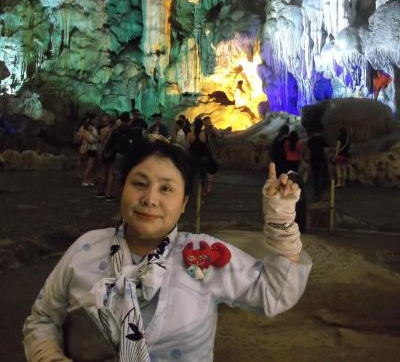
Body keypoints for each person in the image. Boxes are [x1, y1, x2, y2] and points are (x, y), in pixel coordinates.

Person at [23, 139, 311, 361]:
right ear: (121, 188)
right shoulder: (86, 248)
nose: (149, 199)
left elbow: (274, 292)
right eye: (139, 184)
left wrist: (281, 219)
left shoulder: (204, 254)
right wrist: (49, 356)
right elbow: (44, 318)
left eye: (166, 189)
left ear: (184, 202)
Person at [186, 117, 216, 197]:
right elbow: (208, 146)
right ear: (201, 125)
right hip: (203, 157)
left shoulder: (189, 135)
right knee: (207, 172)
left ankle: (189, 190)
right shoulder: (203, 134)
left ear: (194, 125)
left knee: (191, 174)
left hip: (193, 158)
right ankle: (205, 190)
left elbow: (187, 147)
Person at [307, 127, 329, 201]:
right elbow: (325, 150)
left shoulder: (310, 139)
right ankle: (321, 190)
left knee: (315, 175)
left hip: (313, 159)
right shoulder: (322, 139)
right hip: (321, 159)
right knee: (322, 175)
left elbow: (309, 151)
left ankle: (316, 190)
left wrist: (309, 160)